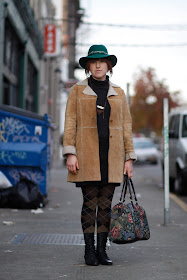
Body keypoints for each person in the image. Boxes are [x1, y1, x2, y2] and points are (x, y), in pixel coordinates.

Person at [63, 45, 137, 266]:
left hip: (112, 157)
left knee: (105, 205)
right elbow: (70, 123)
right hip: (86, 156)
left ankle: (102, 251)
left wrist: (129, 157)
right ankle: (89, 252)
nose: (98, 65)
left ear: (108, 65)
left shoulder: (119, 92)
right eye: (93, 61)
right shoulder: (77, 90)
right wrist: (70, 153)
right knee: (90, 204)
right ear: (88, 65)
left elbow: (126, 125)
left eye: (102, 61)